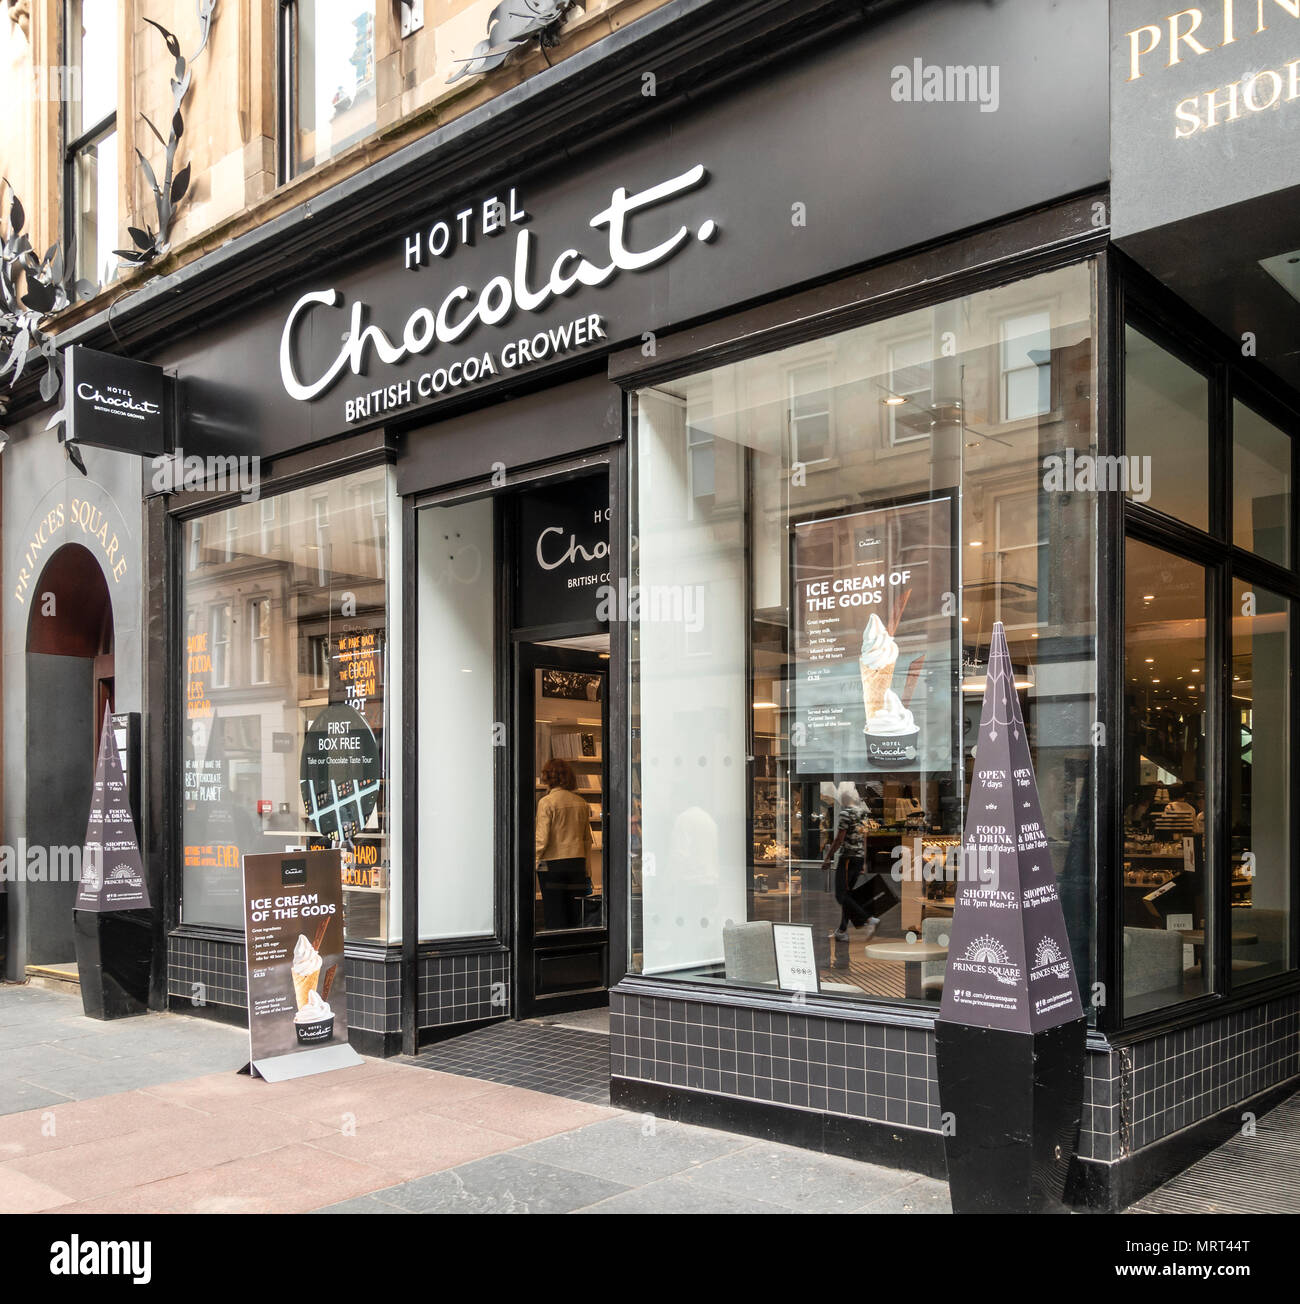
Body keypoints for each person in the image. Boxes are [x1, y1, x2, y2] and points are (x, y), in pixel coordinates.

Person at [821, 782, 893, 943]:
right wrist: (864, 861)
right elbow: (864, 838)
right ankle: (842, 930)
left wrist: (828, 857)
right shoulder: (862, 813)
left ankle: (869, 919)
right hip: (858, 858)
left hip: (847, 858)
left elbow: (839, 839)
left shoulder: (846, 814)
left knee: (841, 895)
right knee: (848, 895)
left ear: (844, 798)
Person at [535, 758, 594, 930]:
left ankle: (557, 946)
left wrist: (534, 860)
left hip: (551, 865)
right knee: (576, 915)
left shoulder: (546, 802)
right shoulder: (581, 803)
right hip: (577, 864)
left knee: (555, 914)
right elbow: (587, 840)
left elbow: (541, 839)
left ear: (547, 777)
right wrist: (587, 869)